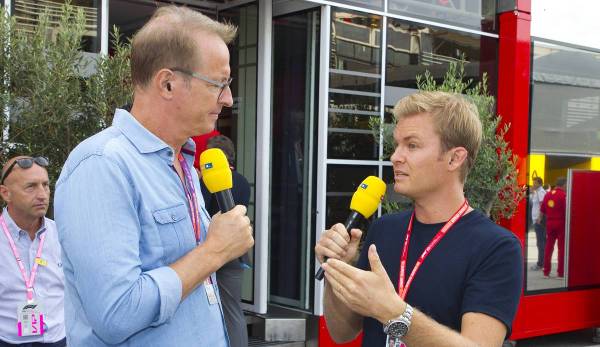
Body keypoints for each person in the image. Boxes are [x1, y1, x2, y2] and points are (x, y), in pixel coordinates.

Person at [53, 6, 253, 347]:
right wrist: (214, 251)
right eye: (219, 84)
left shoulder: (186, 162)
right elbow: (116, 313)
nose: (229, 99)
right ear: (168, 83)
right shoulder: (102, 166)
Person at [315, 91, 523, 347]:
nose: (395, 157)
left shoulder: (496, 247)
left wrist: (394, 313)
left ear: (454, 158)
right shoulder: (383, 230)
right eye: (397, 145)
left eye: (411, 145)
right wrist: (337, 269)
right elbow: (341, 332)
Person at [0, 156, 66, 347]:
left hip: (59, 339)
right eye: (31, 186)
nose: (42, 194)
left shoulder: (63, 235)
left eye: (45, 185)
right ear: (6, 193)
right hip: (8, 341)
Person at [198, 135, 251, 347]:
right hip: (236, 253)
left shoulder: (207, 181)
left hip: (210, 251)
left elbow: (201, 210)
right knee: (233, 310)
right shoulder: (243, 181)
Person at [540, 177, 567, 279]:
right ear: (564, 185)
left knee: (548, 247)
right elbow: (566, 211)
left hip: (550, 223)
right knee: (561, 248)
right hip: (561, 223)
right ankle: (560, 273)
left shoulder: (547, 194)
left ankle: (546, 272)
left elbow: (542, 210)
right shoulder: (564, 195)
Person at [529, 177, 547, 271]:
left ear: (540, 183)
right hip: (536, 220)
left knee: (540, 243)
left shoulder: (541, 192)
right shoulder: (537, 192)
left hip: (539, 221)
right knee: (541, 242)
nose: (533, 184)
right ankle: (542, 263)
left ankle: (540, 264)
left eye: (535, 183)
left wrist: (539, 218)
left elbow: (542, 206)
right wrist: (532, 192)